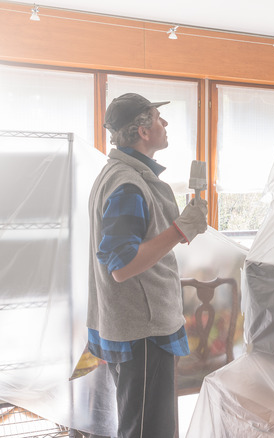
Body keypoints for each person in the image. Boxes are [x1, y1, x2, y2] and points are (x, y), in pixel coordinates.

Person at [87, 93, 207, 437]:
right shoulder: (127, 184)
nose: (164, 124)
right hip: (142, 332)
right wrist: (180, 229)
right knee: (146, 430)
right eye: (157, 118)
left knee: (149, 424)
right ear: (141, 130)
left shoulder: (121, 175)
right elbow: (121, 266)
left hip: (138, 327)